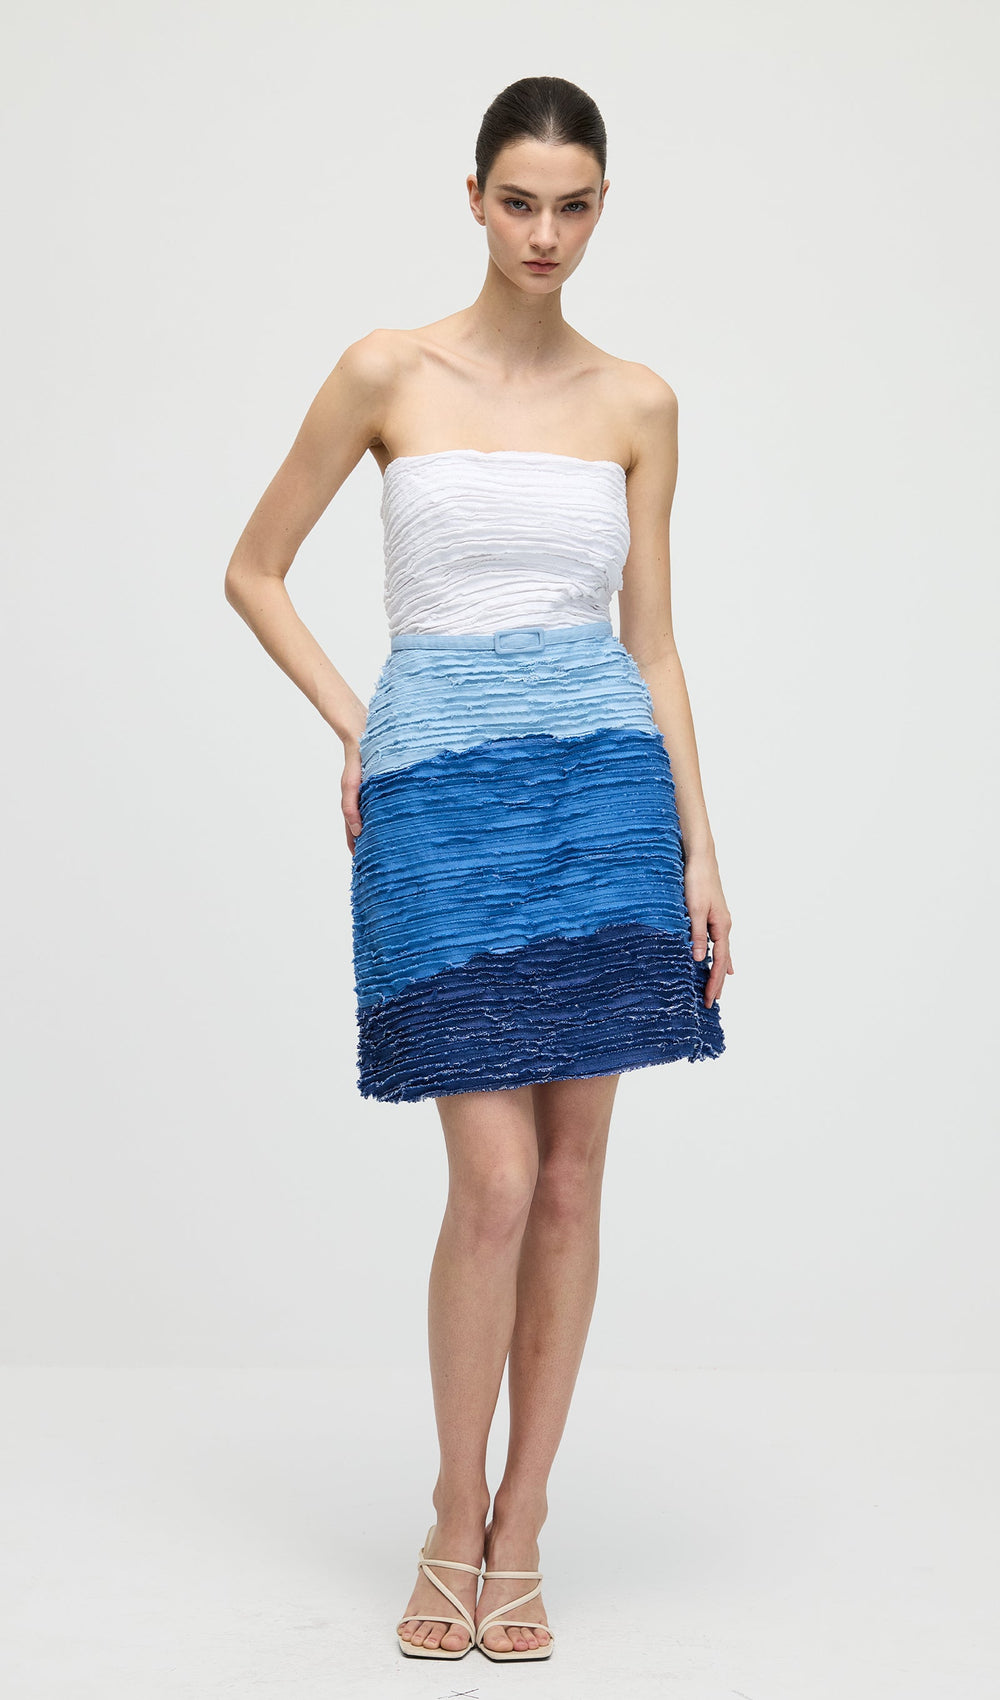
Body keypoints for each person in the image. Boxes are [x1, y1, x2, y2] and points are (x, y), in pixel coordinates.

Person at [225, 74, 733, 1663]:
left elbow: (654, 645)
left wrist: (702, 848)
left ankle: (523, 1529)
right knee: (496, 1182)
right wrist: (359, 724)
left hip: (606, 803)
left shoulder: (638, 402)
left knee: (573, 1181)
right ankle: (453, 1512)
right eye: (519, 201)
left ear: (602, 208)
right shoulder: (390, 369)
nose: (545, 234)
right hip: (441, 796)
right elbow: (253, 568)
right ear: (473, 199)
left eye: (573, 205)